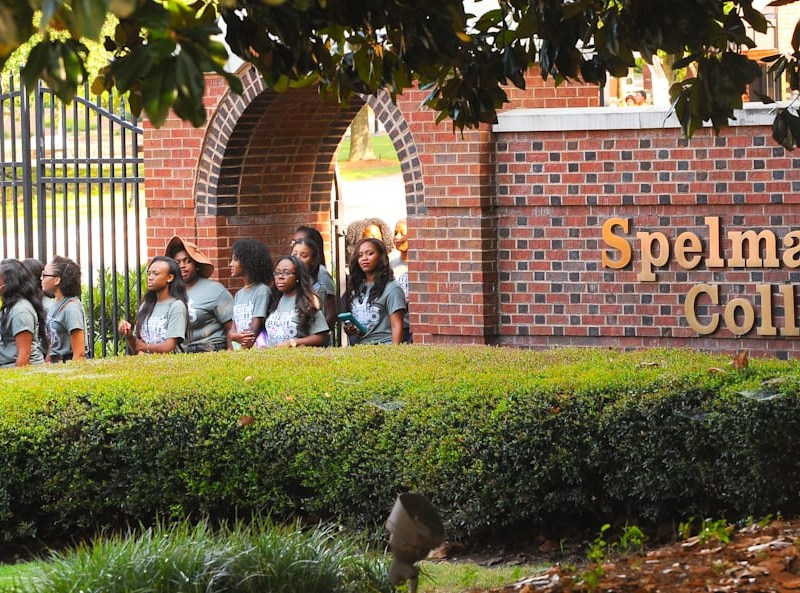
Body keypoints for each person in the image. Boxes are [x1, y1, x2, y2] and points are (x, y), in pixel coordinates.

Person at [165, 236, 234, 353]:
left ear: (196, 264)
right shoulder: (169, 293)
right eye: (177, 262)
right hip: (182, 356)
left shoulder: (215, 290)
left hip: (212, 351)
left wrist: (231, 355)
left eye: (188, 261)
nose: (182, 265)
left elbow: (232, 328)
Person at [118, 256, 188, 354]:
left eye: (156, 274)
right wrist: (129, 335)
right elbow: (136, 348)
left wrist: (143, 347)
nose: (150, 277)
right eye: (149, 273)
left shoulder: (177, 306)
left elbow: (169, 346)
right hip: (146, 366)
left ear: (169, 278)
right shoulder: (145, 306)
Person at [342, 238, 406, 345]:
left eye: (370, 253)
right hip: (360, 349)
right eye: (360, 255)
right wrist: (351, 329)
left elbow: (397, 326)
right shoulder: (357, 288)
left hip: (384, 347)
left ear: (381, 257)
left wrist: (395, 354)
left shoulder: (392, 289)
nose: (364, 258)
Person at [262, 255, 329, 348]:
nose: (280, 277)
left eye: (286, 273)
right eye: (277, 273)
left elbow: (321, 337)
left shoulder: (308, 301)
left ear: (297, 277)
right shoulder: (273, 300)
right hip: (273, 359)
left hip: (297, 359)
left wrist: (293, 343)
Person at [0, 259, 47, 367]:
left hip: (18, 370)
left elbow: (24, 354)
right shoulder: (10, 306)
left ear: (9, 282)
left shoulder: (20, 311)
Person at [229, 239, 273, 349]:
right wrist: (234, 337)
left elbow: (255, 329)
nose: (231, 264)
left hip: (254, 350)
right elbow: (232, 330)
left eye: (235, 260)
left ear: (248, 262)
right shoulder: (238, 294)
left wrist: (238, 339)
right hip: (238, 349)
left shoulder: (262, 291)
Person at [41, 255, 86, 362]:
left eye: (45, 275)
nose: (41, 278)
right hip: (55, 364)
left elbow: (79, 353)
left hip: (67, 363)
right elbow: (54, 343)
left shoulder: (71, 308)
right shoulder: (55, 303)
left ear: (57, 280)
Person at [291, 236, 336, 329]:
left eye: (304, 256)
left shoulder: (320, 278)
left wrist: (318, 334)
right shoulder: (287, 280)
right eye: (295, 254)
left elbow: (331, 314)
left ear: (312, 260)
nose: (297, 259)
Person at [391, 218, 411, 343]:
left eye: (402, 234)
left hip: (413, 326)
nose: (397, 237)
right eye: (395, 233)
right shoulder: (390, 264)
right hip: (396, 326)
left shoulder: (420, 266)